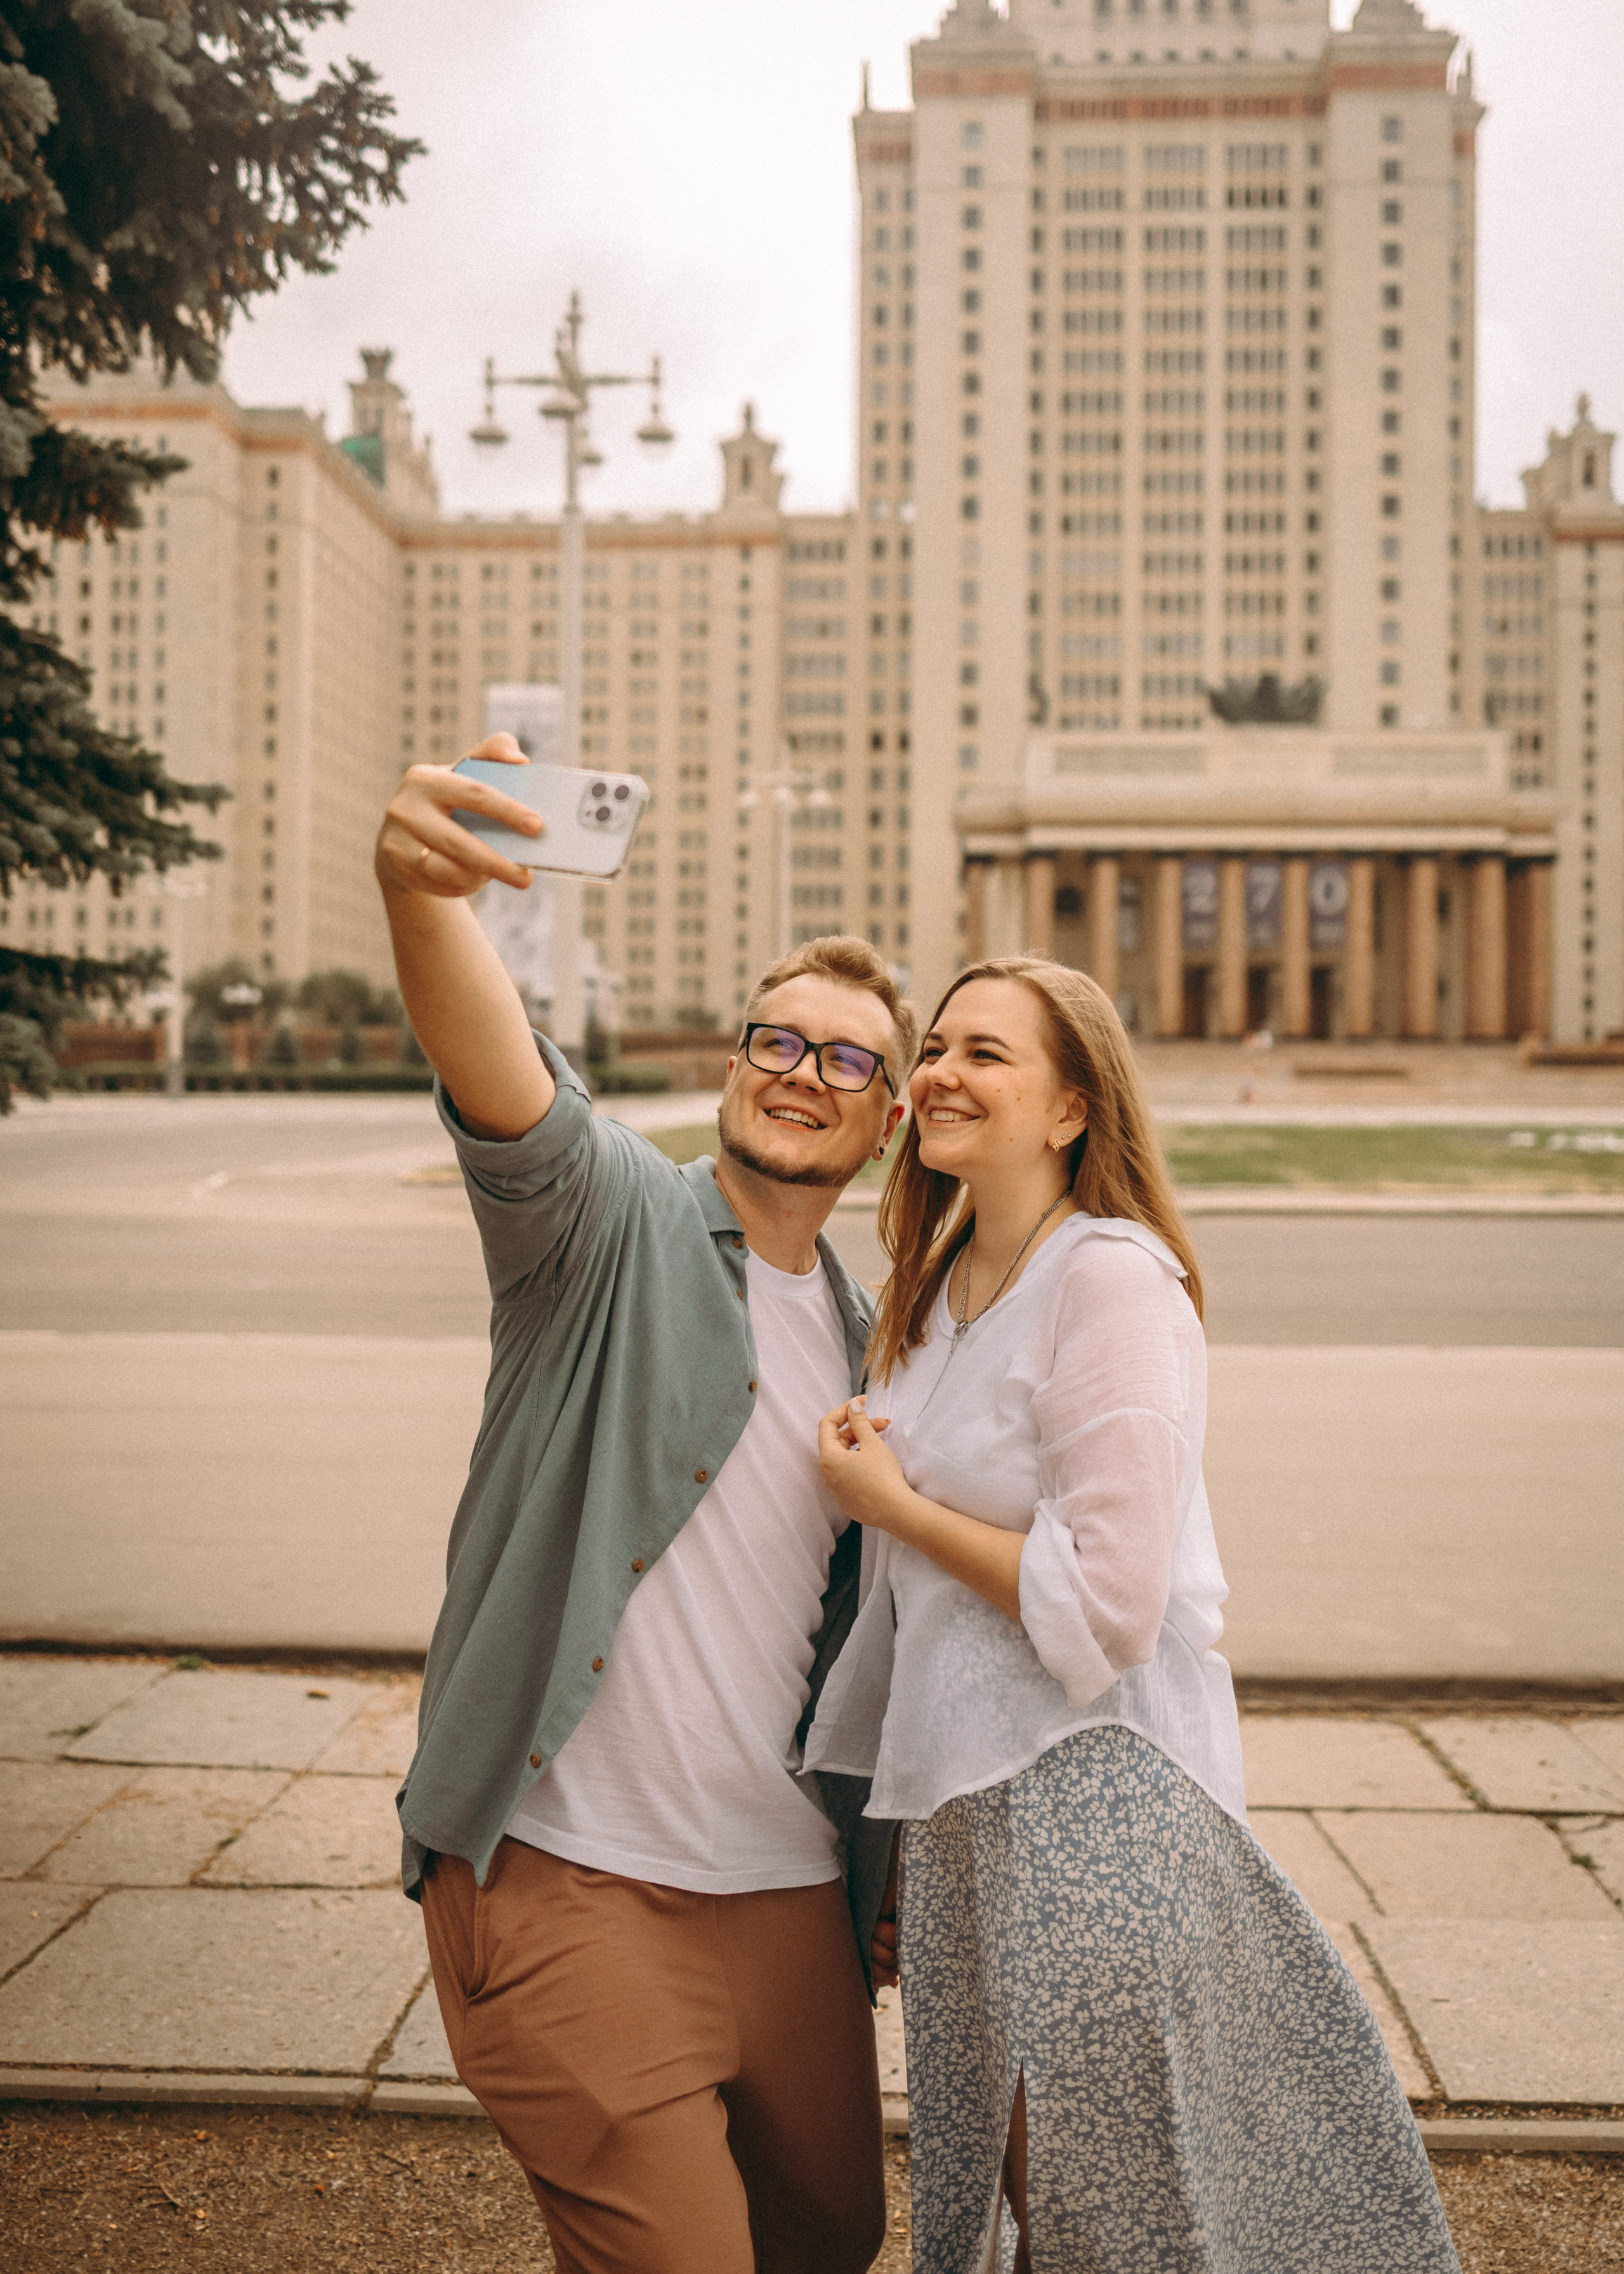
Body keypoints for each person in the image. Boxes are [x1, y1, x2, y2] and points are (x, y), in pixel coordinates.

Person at [806, 956, 1462, 2274]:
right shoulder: (925, 1292)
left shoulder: (1110, 1281)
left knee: (1107, 2214)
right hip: (959, 1813)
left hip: (1096, 1793)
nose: (937, 1072)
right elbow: (907, 1614)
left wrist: (892, 1502)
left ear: (1070, 1110)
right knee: (1001, 2196)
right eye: (934, 1046)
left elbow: (1109, 1600)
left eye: (986, 1053)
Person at [373, 735, 914, 2274]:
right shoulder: (605, 1225)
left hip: (785, 1899)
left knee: (828, 2236)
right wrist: (423, 894)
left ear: (880, 1122)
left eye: (848, 1058)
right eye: (776, 1038)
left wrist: (878, 1876)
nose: (802, 1071)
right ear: (733, 1062)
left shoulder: (878, 1343)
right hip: (571, 1879)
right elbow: (508, 1080)